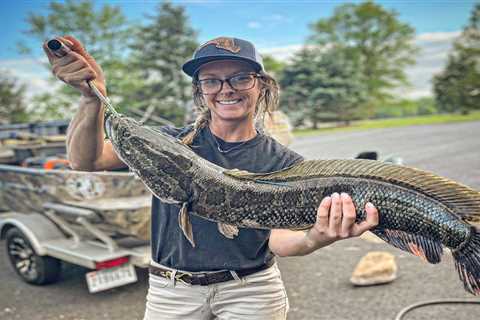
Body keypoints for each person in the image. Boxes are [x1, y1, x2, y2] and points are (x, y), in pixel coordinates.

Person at [44, 35, 379, 320]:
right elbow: (85, 160)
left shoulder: (285, 163)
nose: (226, 89)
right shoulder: (168, 144)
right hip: (170, 289)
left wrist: (316, 237)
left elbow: (277, 239)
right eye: (212, 80)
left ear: (261, 85)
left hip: (251, 290)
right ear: (200, 89)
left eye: (240, 78)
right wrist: (91, 98)